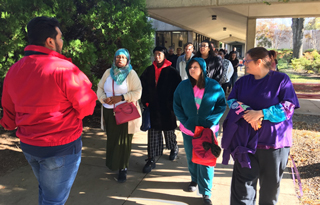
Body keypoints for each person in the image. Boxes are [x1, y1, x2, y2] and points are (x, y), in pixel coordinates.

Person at [0, 16, 97, 204]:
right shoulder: (65, 69)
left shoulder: (14, 70)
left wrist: (10, 124)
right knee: (54, 200)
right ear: (50, 41)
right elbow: (87, 107)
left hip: (29, 145)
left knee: (45, 192)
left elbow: (9, 112)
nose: (62, 42)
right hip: (61, 147)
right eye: (60, 38)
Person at [222, 47, 300, 205]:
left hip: (274, 145)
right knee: (242, 190)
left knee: (269, 192)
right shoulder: (242, 81)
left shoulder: (281, 80)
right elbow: (232, 101)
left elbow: (288, 107)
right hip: (245, 143)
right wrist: (249, 113)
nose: (244, 63)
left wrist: (261, 113)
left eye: (247, 60)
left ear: (259, 62)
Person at [173, 57, 226, 205]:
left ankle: (206, 192)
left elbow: (221, 105)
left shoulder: (214, 86)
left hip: (207, 130)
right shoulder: (182, 86)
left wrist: (210, 122)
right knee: (191, 157)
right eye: (190, 67)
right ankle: (194, 180)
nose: (192, 69)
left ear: (202, 69)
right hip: (189, 130)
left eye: (195, 67)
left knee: (207, 160)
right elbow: (176, 105)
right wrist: (186, 121)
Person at [96, 48, 142, 183]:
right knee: (112, 138)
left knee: (124, 140)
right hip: (109, 111)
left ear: (127, 60)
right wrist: (103, 98)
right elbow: (100, 88)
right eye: (117, 57)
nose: (119, 60)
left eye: (122, 57)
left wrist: (122, 97)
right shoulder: (108, 73)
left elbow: (138, 92)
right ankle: (113, 163)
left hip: (125, 112)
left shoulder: (131, 74)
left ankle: (123, 168)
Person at [140, 46, 181, 173]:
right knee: (153, 133)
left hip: (167, 108)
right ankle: (151, 158)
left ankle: (174, 148)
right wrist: (145, 101)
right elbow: (142, 86)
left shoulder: (172, 72)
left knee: (169, 132)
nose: (157, 57)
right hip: (152, 107)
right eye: (155, 54)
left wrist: (172, 104)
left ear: (164, 55)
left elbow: (178, 90)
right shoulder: (148, 70)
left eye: (160, 54)